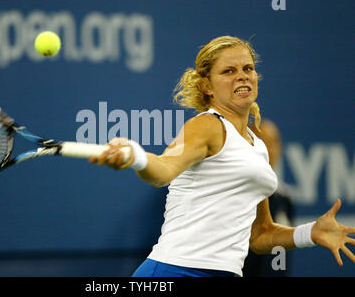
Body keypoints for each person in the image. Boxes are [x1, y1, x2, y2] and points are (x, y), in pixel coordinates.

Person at [89, 36, 355, 277]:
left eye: (247, 68)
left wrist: (311, 233)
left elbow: (260, 235)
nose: (242, 76)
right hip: (175, 270)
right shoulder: (206, 125)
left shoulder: (258, 148)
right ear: (207, 86)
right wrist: (136, 156)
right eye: (229, 71)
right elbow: (164, 169)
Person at [243, 119, 295, 276]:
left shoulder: (285, 198)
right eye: (261, 142)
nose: (268, 150)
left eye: (273, 143)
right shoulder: (236, 196)